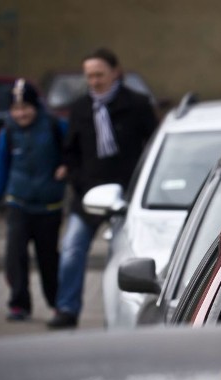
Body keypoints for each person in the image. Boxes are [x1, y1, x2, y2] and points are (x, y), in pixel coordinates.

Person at [47, 47, 159, 329]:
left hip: (126, 196)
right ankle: (66, 310)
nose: (94, 81)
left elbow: (154, 147)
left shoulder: (137, 104)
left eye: (99, 75)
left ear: (115, 72)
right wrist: (74, 177)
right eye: (89, 76)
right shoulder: (81, 107)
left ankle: (118, 317)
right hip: (88, 195)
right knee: (72, 250)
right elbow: (70, 151)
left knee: (119, 258)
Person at [0, 79, 67, 321]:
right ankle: (19, 304)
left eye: (25, 107)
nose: (20, 113)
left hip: (49, 205)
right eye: (15, 109)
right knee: (15, 256)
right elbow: (1, 167)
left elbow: (73, 151)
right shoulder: (8, 132)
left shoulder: (55, 126)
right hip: (18, 202)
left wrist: (66, 166)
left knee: (48, 258)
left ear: (36, 106)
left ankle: (56, 303)